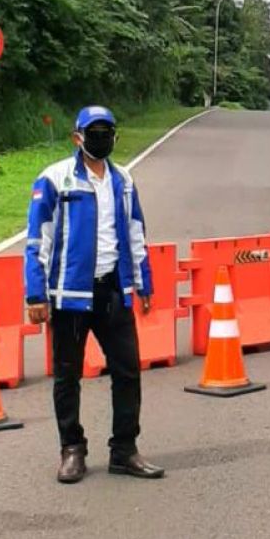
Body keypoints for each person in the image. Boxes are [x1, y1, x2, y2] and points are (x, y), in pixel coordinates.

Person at [25, 106, 164, 484]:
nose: (100, 137)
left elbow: (136, 233)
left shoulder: (124, 181)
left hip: (113, 290)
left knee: (127, 369)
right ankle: (72, 448)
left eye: (107, 131)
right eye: (94, 131)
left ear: (115, 137)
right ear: (77, 137)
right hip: (69, 295)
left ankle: (124, 449)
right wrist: (35, 294)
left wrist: (144, 283)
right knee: (67, 375)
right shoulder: (56, 179)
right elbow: (38, 238)